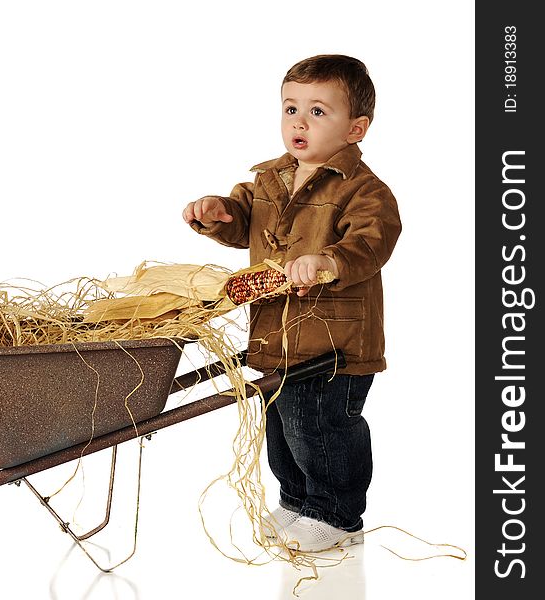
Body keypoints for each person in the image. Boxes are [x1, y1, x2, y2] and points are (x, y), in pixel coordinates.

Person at [182, 55, 401, 552]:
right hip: (273, 335)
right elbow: (245, 222)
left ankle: (337, 516)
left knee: (319, 429)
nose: (299, 122)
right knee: (280, 428)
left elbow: (372, 242)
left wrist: (328, 260)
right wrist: (219, 215)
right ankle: (298, 502)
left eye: (318, 111)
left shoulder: (364, 191)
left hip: (332, 342)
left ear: (356, 128)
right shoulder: (269, 181)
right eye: (290, 108)